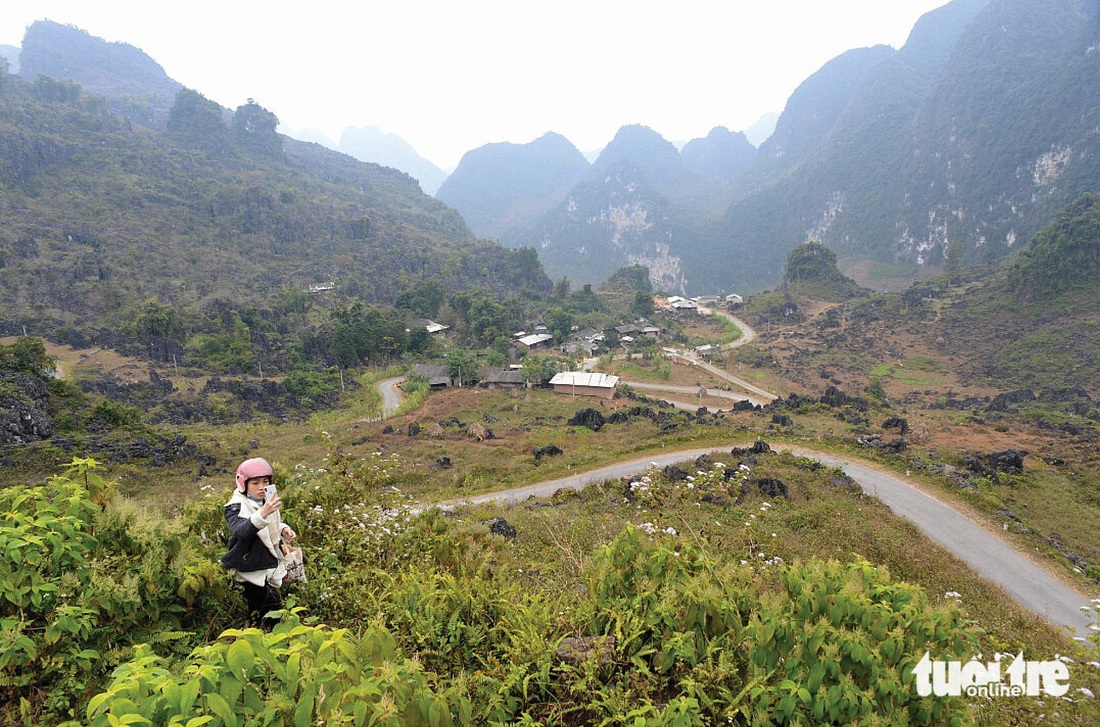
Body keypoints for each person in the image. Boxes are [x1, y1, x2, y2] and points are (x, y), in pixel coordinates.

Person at [220, 457, 297, 629]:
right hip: (251, 569)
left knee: (267, 608)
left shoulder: (265, 498)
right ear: (243, 483)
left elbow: (271, 524)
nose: (261, 487)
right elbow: (240, 532)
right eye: (255, 483)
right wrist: (262, 514)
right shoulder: (235, 505)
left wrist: (283, 529)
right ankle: (265, 641)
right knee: (270, 610)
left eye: (265, 481)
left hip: (267, 562)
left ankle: (261, 635)